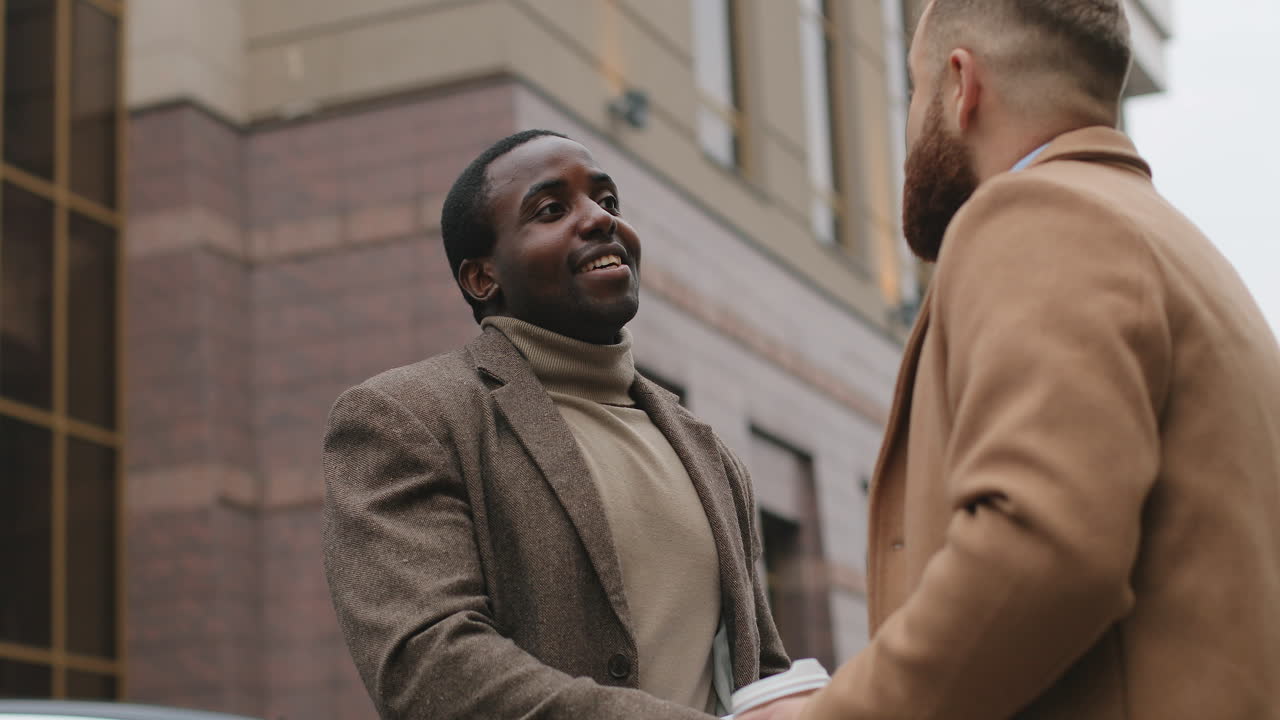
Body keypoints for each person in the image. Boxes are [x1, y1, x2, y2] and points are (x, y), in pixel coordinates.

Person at [742, 1, 1280, 718]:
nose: (908, 124)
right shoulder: (1190, 257)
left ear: (961, 86)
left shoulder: (1034, 215)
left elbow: (1044, 547)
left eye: (912, 89)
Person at [321, 129, 789, 719]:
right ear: (481, 278)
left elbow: (760, 673)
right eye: (551, 209)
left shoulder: (711, 454)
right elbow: (428, 668)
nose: (599, 219)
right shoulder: (407, 417)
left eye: (608, 201)